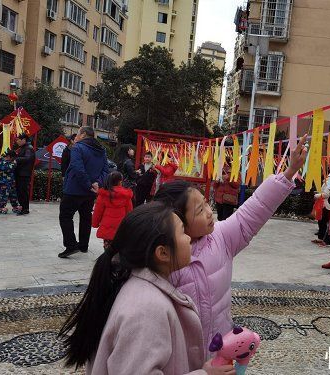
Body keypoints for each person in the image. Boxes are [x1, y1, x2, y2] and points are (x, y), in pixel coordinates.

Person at [154, 135, 308, 356]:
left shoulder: (221, 237)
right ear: (177, 220)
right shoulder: (163, 259)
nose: (209, 213)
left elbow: (255, 209)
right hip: (180, 357)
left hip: (219, 350)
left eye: (206, 203)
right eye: (199, 210)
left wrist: (289, 172)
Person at [59, 202, 235, 375]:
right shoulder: (147, 309)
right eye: (182, 232)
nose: (189, 237)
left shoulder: (136, 287)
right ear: (162, 253)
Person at [59, 127, 109, 258]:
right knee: (86, 216)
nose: (77, 136)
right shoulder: (102, 150)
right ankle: (83, 245)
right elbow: (105, 170)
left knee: (65, 216)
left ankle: (71, 245)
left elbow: (77, 167)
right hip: (91, 191)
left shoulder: (78, 148)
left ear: (84, 134)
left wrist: (87, 184)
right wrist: (97, 183)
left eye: (79, 133)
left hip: (74, 189)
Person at [92, 171, 133, 250]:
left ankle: (107, 259)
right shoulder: (125, 195)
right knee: (119, 247)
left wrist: (95, 224)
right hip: (121, 227)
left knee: (108, 248)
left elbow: (97, 212)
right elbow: (129, 212)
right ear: (120, 182)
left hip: (107, 226)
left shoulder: (103, 194)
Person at [14, 133, 36, 215]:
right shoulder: (23, 147)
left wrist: (16, 159)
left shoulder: (29, 148)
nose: (17, 142)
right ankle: (22, 207)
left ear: (24, 140)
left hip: (24, 174)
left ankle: (25, 209)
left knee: (23, 192)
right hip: (20, 173)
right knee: (20, 191)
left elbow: (27, 158)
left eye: (18, 140)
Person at [0, 149, 20, 214]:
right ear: (8, 156)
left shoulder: (9, 162)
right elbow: (9, 168)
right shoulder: (1, 162)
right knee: (4, 196)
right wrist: (14, 163)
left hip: (11, 182)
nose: (13, 159)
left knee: (13, 195)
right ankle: (0, 208)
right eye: (13, 158)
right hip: (3, 183)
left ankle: (15, 206)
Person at [311, 180, 330, 247]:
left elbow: (326, 194)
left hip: (326, 205)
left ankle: (324, 240)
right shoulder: (327, 180)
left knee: (323, 222)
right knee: (321, 222)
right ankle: (321, 238)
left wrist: (317, 195)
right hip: (323, 204)